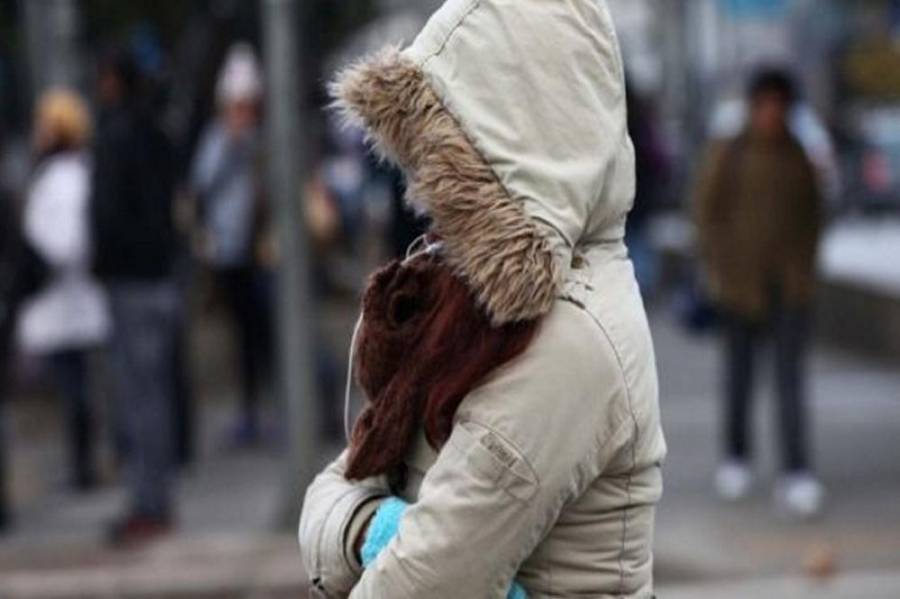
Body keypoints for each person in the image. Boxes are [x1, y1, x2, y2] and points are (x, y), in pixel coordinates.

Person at [299, 1, 667, 597]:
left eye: (451, 155)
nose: (427, 186)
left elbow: (424, 583)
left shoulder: (569, 340)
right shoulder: (468, 304)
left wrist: (371, 528)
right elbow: (330, 492)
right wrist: (373, 530)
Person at [694, 68, 825, 517]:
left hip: (789, 288)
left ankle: (797, 470)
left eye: (778, 104)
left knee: (790, 383)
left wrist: (803, 270)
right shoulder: (729, 153)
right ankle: (736, 457)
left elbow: (815, 216)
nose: (771, 113)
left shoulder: (799, 154)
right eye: (764, 104)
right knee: (739, 379)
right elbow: (706, 212)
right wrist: (718, 266)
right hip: (738, 287)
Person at [90, 49, 179, 544]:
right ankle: (156, 496)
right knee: (155, 395)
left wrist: (104, 260)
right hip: (160, 275)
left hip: (130, 281)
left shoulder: (116, 136)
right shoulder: (156, 131)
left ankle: (149, 501)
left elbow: (108, 213)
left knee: (138, 398)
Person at [15, 90, 110, 491]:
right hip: (66, 298)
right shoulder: (65, 172)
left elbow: (67, 241)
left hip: (66, 296)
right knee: (75, 385)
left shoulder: (65, 177)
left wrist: (39, 261)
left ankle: (83, 466)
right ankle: (82, 463)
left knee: (76, 388)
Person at [190, 43, 273, 445]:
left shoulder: (260, 140)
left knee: (264, 334)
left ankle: (267, 408)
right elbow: (202, 182)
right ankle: (249, 411)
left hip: (260, 252)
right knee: (242, 337)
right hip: (229, 252)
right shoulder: (218, 140)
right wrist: (231, 145)